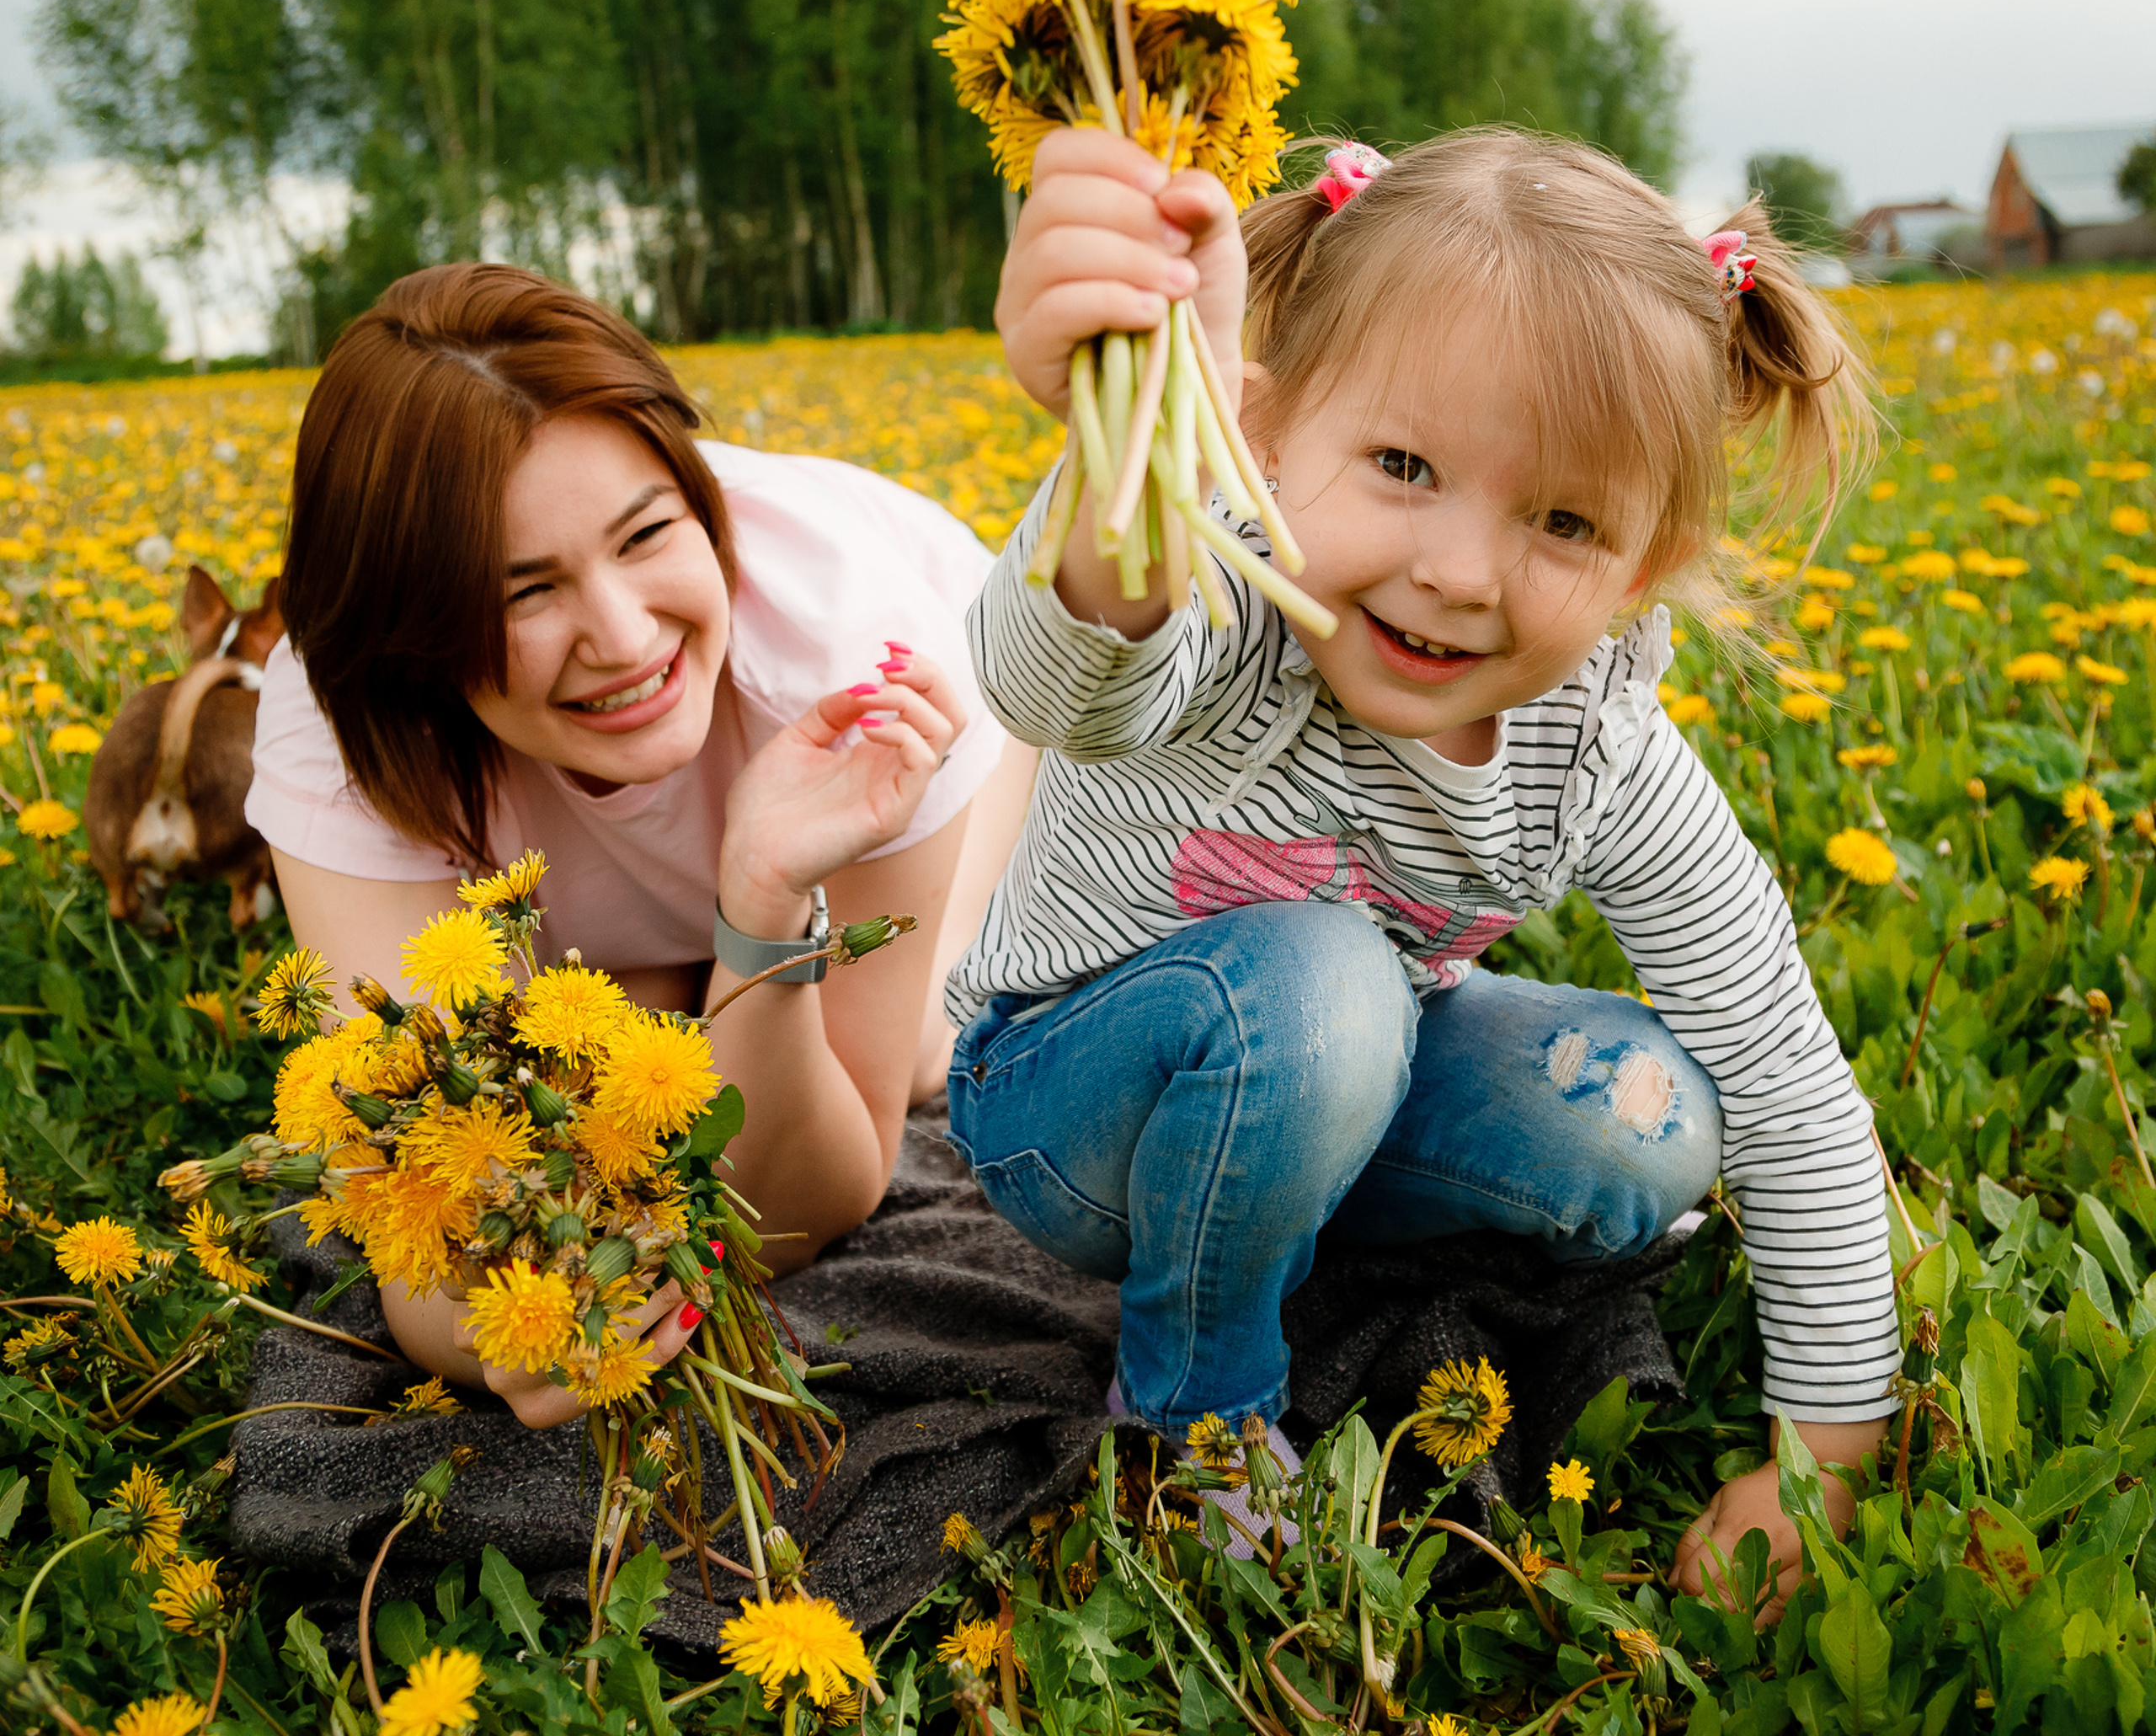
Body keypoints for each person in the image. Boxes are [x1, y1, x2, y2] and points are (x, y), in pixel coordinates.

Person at [947, 125, 1893, 1604]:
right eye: (1402, 465)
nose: (1460, 569)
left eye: (1564, 520)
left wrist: (1826, 1460)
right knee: (1324, 975)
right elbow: (1057, 685)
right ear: (1261, 437)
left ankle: (1282, 1232)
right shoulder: (1229, 603)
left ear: (1640, 566)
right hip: (1065, 1113)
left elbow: (1786, 1073)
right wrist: (1131, 468)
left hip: (1336, 1069)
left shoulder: (1597, 751)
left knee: (1653, 1115)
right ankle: (1197, 1425)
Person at [248, 264, 1035, 1429]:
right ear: (408, 634)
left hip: (998, 743)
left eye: (646, 534)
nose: (622, 638)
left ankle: (684, 977)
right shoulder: (338, 716)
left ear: (694, 493)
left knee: (924, 1048)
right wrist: (491, 1335)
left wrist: (767, 901)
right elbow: (421, 1223)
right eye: (523, 593)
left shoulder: (856, 658)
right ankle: (665, 984)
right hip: (599, 897)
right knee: (585, 1068)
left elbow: (827, 1188)